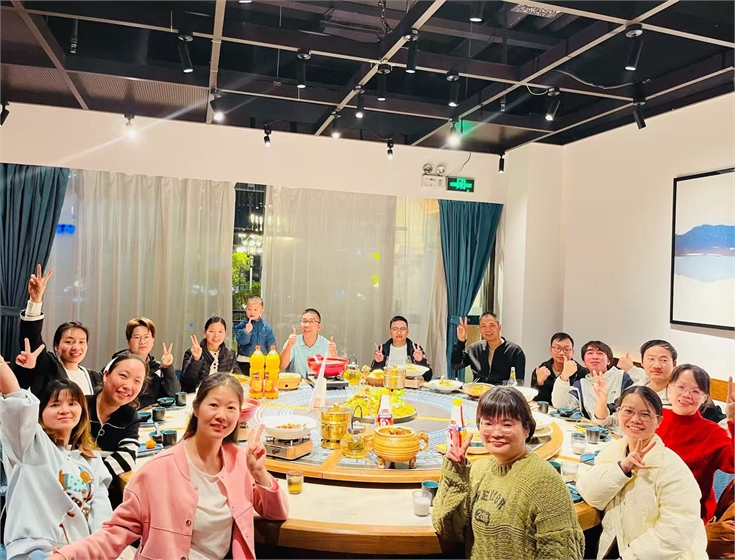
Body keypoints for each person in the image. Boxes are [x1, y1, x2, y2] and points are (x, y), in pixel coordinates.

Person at [49, 373, 289, 560]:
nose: (222, 415)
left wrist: (259, 473)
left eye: (231, 408)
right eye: (214, 405)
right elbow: (115, 533)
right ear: (196, 408)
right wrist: (65, 556)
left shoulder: (240, 461)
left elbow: (277, 512)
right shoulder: (158, 470)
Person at [432, 386, 584, 559]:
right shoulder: (478, 471)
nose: (496, 433)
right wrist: (455, 471)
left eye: (507, 424)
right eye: (488, 423)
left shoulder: (545, 482)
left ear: (527, 428)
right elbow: (448, 530)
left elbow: (563, 554)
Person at [0, 340, 112, 560]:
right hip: (36, 550)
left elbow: (102, 515)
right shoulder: (29, 445)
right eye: (54, 404)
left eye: (72, 403)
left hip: (78, 552)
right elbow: (14, 396)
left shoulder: (92, 459)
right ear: (40, 413)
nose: (64, 410)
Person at [576, 386, 707, 560]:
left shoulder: (673, 468)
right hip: (615, 546)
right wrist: (622, 468)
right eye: (628, 411)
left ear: (659, 421)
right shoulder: (613, 452)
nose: (635, 419)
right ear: (618, 412)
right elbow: (590, 494)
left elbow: (676, 532)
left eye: (645, 414)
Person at [656, 365, 734, 523]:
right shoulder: (655, 418)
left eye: (695, 391)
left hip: (689, 514)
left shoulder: (712, 432)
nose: (686, 395)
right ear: (670, 388)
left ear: (704, 398)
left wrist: (733, 421)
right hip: (650, 501)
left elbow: (732, 463)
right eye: (681, 387)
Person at [591, 340, 725, 427]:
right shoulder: (636, 390)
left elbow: (720, 422)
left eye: (663, 360)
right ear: (642, 362)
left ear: (674, 364)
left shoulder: (683, 396)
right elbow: (607, 421)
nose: (657, 365)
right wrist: (601, 401)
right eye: (651, 359)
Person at [16, 264, 101, 396]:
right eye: (69, 341)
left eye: (82, 342)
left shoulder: (95, 377)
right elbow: (32, 337)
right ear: (56, 346)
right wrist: (35, 301)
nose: (76, 347)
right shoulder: (48, 366)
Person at [88, 352, 148, 509]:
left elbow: (127, 456)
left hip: (104, 495)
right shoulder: (81, 405)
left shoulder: (130, 416)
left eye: (137, 381)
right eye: (123, 376)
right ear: (106, 375)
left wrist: (91, 478)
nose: (128, 386)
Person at [551, 340, 635, 419]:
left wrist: (632, 369)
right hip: (591, 428)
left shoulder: (622, 376)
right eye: (590, 353)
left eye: (600, 353)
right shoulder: (581, 385)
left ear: (608, 361)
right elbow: (560, 406)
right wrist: (564, 377)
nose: (595, 357)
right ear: (584, 362)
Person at [113, 317, 179, 409]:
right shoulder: (118, 366)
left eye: (146, 337)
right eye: (137, 337)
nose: (142, 341)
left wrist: (167, 367)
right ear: (128, 342)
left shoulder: (157, 367)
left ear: (153, 341)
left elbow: (172, 396)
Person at [450, 314, 525, 384]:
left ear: (499, 327)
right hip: (477, 391)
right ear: (479, 329)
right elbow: (456, 365)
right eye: (483, 326)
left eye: (492, 325)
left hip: (502, 393)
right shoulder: (475, 348)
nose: (488, 329)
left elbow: (519, 382)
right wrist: (461, 341)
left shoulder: (515, 351)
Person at [181, 317, 241, 393]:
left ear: (225, 333)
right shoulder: (192, 353)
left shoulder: (230, 354)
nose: (216, 335)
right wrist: (196, 359)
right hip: (198, 395)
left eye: (220, 331)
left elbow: (239, 379)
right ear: (205, 333)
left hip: (222, 394)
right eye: (212, 331)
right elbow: (186, 383)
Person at [279, 308, 338, 378]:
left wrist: (334, 354)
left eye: (311, 321)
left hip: (318, 383)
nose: (307, 325)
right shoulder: (292, 341)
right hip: (297, 383)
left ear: (319, 327)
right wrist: (288, 346)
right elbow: (281, 366)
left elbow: (336, 373)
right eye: (304, 321)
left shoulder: (326, 345)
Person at [371, 315, 432, 382]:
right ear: (390, 332)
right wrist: (379, 363)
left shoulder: (415, 349)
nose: (399, 332)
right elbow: (373, 376)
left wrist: (420, 361)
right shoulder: (382, 350)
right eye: (395, 329)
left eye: (402, 329)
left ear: (407, 331)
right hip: (387, 384)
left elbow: (428, 377)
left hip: (410, 385)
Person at [531, 332, 587, 403]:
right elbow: (535, 401)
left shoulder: (581, 373)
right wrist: (540, 383)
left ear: (572, 352)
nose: (561, 353)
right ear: (550, 350)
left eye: (566, 349)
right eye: (557, 348)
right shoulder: (541, 370)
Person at [233, 297, 276, 375]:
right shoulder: (242, 325)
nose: (252, 312)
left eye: (255, 310)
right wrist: (246, 331)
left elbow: (271, 345)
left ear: (261, 311)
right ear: (246, 309)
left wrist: (271, 360)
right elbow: (241, 341)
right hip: (245, 361)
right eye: (249, 309)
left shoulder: (267, 327)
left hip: (262, 362)